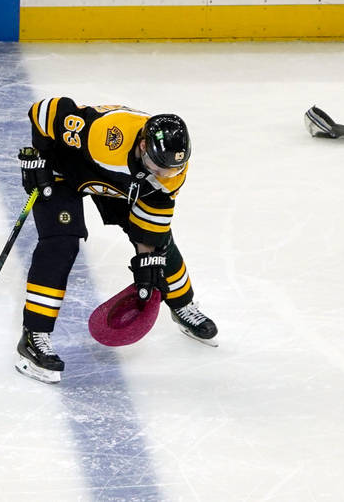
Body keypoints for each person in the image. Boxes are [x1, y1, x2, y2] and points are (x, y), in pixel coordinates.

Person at [15, 97, 218, 384]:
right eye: (158, 167)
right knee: (60, 245)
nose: (163, 175)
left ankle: (183, 304)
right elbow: (44, 110)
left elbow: (150, 232)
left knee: (161, 245)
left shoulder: (171, 172)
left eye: (170, 170)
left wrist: (148, 269)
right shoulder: (106, 135)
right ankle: (34, 336)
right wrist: (38, 155)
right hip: (66, 171)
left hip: (123, 184)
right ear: (143, 146)